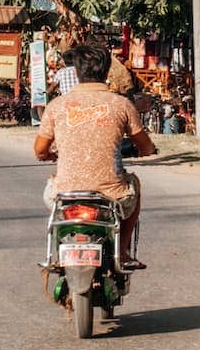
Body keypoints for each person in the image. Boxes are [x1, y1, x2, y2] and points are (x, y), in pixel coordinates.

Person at [35, 44, 156, 269]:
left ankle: (58, 250)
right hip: (112, 194)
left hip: (65, 193)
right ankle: (122, 251)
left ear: (76, 72)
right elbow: (145, 145)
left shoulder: (57, 105)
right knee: (134, 185)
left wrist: (48, 156)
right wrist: (147, 151)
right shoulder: (122, 104)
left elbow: (39, 150)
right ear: (107, 70)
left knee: (52, 195)